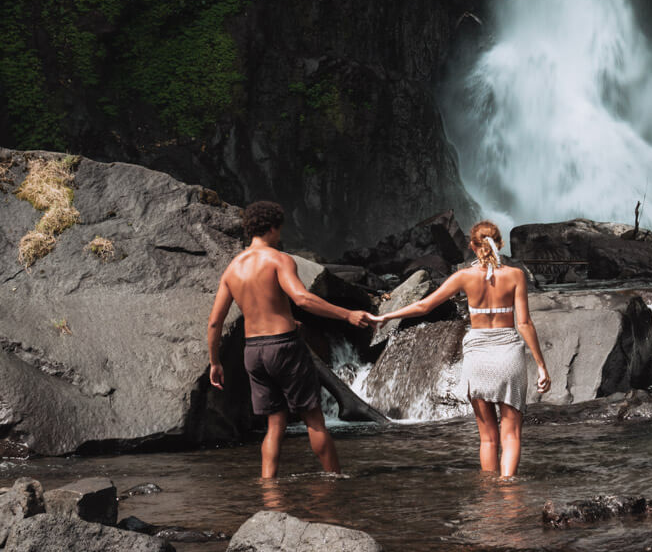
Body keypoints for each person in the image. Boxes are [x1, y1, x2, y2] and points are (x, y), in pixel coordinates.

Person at [207, 200, 373, 478]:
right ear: (273, 228)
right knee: (314, 420)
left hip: (253, 351)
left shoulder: (232, 269)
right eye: (280, 229)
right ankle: (335, 480)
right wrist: (347, 315)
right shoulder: (278, 259)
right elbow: (302, 298)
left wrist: (215, 362)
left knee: (275, 425)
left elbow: (214, 322)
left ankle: (268, 487)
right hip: (284, 347)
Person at [372, 220, 551, 478]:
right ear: (500, 243)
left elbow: (424, 306)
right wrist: (542, 366)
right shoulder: (515, 275)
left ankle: (489, 493)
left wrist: (386, 316)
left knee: (487, 438)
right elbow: (524, 324)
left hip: (477, 358)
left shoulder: (464, 277)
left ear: (472, 245)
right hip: (508, 355)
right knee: (511, 434)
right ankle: (508, 488)